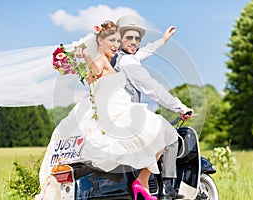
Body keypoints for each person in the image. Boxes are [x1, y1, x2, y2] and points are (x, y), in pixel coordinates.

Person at [38, 20, 182, 200]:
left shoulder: (113, 60)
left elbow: (143, 53)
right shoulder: (100, 62)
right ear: (100, 41)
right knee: (163, 132)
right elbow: (95, 67)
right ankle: (143, 182)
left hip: (112, 108)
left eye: (117, 41)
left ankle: (142, 183)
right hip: (115, 111)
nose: (115, 45)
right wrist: (87, 58)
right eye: (112, 41)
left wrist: (163, 39)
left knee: (159, 134)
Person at [112, 15, 192, 199]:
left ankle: (149, 182)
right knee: (169, 137)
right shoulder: (128, 62)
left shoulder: (118, 58)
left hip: (113, 115)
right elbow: (153, 88)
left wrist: (163, 40)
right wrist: (180, 107)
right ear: (120, 39)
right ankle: (167, 189)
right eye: (129, 38)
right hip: (128, 116)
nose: (134, 42)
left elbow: (143, 52)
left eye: (137, 38)